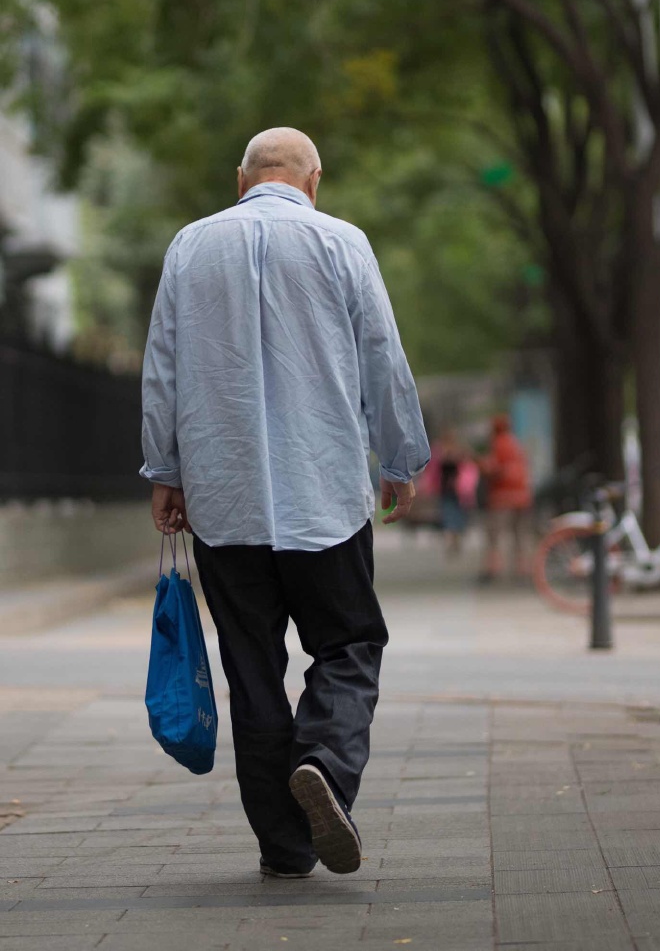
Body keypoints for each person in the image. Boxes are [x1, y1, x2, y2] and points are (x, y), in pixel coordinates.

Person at [140, 127, 430, 880]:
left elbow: (162, 366)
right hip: (322, 493)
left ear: (241, 179)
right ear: (314, 180)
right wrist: (399, 457)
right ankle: (327, 768)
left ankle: (285, 846)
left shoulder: (190, 246)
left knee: (253, 669)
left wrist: (165, 469)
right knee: (349, 643)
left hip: (224, 497)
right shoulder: (342, 242)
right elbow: (381, 353)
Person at [478, 413, 532, 584]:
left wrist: (481, 464)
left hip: (502, 497)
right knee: (519, 535)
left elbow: (493, 468)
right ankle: (522, 569)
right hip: (522, 495)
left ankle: (493, 569)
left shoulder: (498, 444)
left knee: (494, 534)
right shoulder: (516, 443)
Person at [433, 428, 473, 558]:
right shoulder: (448, 451)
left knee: (453, 515)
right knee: (451, 515)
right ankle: (453, 541)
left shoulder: (445, 451)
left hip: (454, 489)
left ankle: (453, 541)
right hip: (452, 490)